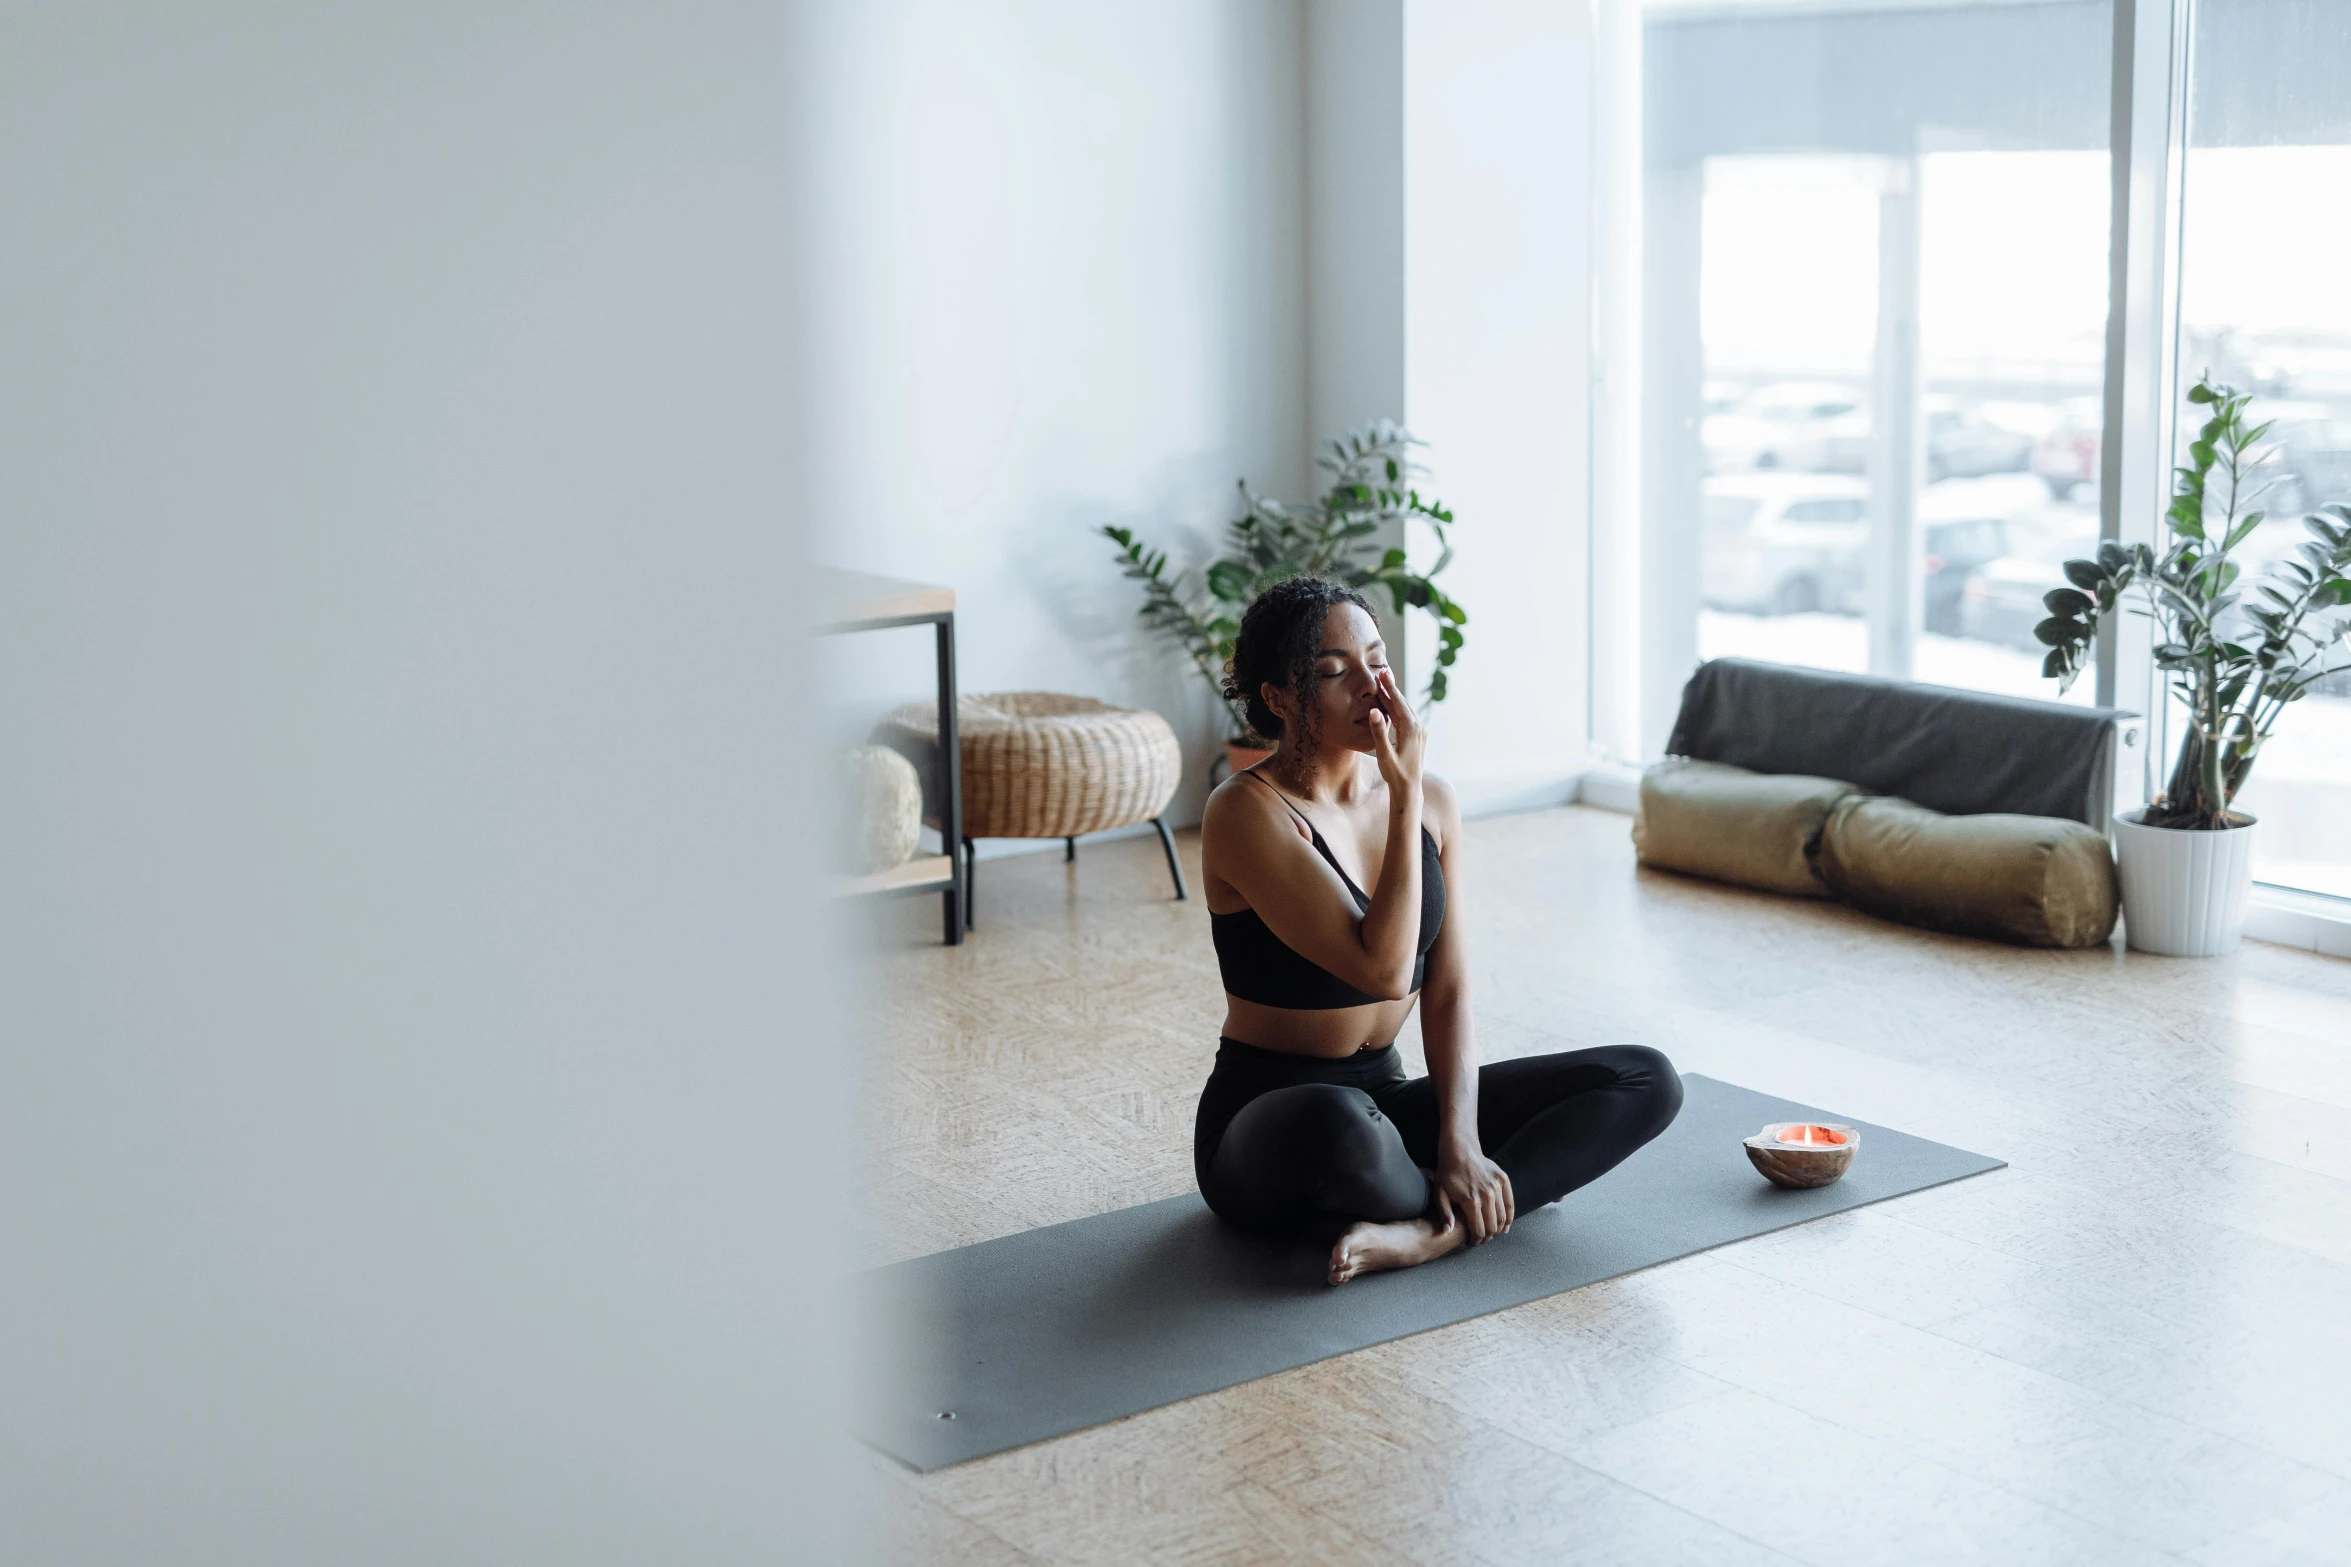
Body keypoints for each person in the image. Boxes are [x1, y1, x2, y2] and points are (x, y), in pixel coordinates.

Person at [1196, 576, 1684, 1285]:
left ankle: (1429, 1231)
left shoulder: (1435, 802)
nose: (1370, 685)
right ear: (1277, 698)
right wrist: (1402, 796)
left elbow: (1446, 987)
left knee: (1644, 1078)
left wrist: (1460, 1140)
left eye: (1377, 660)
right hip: (1273, 1118)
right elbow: (1388, 970)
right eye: (1334, 672)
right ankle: (1465, 1206)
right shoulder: (1246, 811)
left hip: (1384, 1099)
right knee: (1339, 1126)